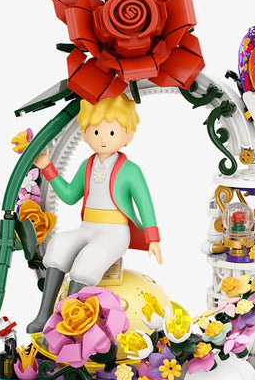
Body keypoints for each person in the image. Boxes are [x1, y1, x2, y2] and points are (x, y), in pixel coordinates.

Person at [27, 94, 162, 333]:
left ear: (128, 135)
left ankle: (64, 324)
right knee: (58, 246)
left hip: (114, 232)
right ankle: (44, 314)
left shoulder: (131, 171)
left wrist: (152, 238)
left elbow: (145, 203)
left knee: (88, 261)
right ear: (85, 133)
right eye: (96, 132)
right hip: (88, 227)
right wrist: (48, 168)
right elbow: (70, 195)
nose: (102, 138)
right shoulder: (87, 165)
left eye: (111, 132)